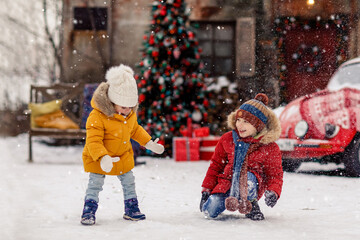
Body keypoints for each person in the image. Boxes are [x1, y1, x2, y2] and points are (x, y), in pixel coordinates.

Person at [80, 64, 164, 225]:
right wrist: (103, 157)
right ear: (112, 101)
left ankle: (132, 209)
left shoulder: (129, 114)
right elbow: (93, 140)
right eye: (123, 107)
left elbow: (135, 130)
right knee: (95, 183)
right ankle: (88, 211)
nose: (127, 110)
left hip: (122, 156)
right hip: (99, 157)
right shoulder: (97, 116)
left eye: (130, 107)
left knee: (129, 181)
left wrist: (148, 143)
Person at [200, 93, 283, 220]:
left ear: (258, 126)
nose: (240, 125)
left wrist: (274, 192)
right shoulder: (228, 139)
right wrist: (206, 190)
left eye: (246, 122)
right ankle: (216, 202)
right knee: (210, 211)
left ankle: (251, 205)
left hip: (250, 186)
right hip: (226, 184)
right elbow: (215, 166)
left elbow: (274, 174)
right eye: (238, 120)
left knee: (249, 177)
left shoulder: (269, 147)